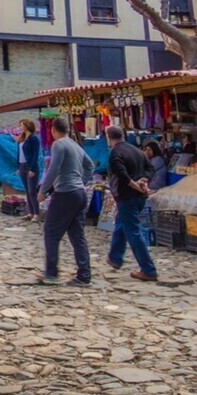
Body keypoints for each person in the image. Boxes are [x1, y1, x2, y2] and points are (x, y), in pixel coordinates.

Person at [36, 116, 94, 286]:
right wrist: (81, 183)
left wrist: (43, 190)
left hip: (65, 193)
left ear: (53, 130)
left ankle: (51, 272)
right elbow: (90, 166)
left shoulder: (58, 144)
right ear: (68, 130)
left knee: (51, 231)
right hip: (79, 193)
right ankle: (84, 275)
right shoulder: (75, 145)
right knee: (77, 235)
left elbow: (54, 168)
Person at [104, 125, 158, 282]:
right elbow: (150, 168)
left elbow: (121, 174)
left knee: (133, 231)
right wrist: (144, 180)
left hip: (127, 195)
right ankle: (115, 257)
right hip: (138, 197)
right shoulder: (137, 151)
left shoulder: (115, 152)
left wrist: (135, 184)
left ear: (108, 137)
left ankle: (148, 269)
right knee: (121, 224)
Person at [16, 118, 43, 221]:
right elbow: (18, 154)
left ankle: (36, 213)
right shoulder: (21, 139)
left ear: (27, 126)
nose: (20, 128)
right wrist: (18, 166)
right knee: (27, 190)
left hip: (30, 166)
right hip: (22, 165)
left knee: (32, 190)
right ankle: (30, 212)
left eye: (21, 126)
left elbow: (35, 154)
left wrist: (32, 168)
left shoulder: (33, 138)